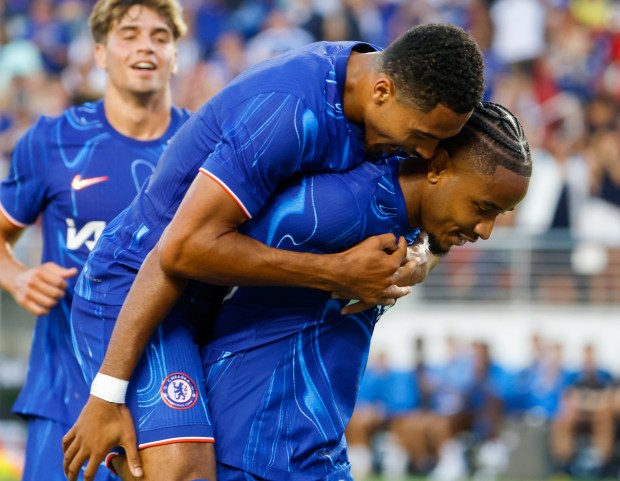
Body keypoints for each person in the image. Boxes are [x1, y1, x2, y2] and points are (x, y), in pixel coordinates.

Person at [62, 23, 485, 481]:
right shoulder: (287, 110)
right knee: (184, 471)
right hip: (132, 283)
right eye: (422, 135)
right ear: (382, 90)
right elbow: (181, 250)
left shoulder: (391, 96)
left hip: (205, 297)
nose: (424, 152)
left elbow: (432, 201)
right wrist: (108, 391)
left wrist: (421, 252)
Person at [199, 101, 531, 480]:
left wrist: (426, 254)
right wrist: (331, 272)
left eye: (497, 215)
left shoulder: (406, 218)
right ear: (437, 167)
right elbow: (194, 252)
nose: (486, 230)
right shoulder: (342, 207)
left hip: (311, 450)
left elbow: (431, 238)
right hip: (253, 448)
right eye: (482, 207)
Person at [0, 1, 189, 480]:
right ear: (101, 53)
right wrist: (17, 278)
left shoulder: (206, 147)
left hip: (169, 396)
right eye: (129, 34)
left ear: (176, 55)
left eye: (160, 35)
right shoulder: (52, 142)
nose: (146, 44)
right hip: (66, 392)